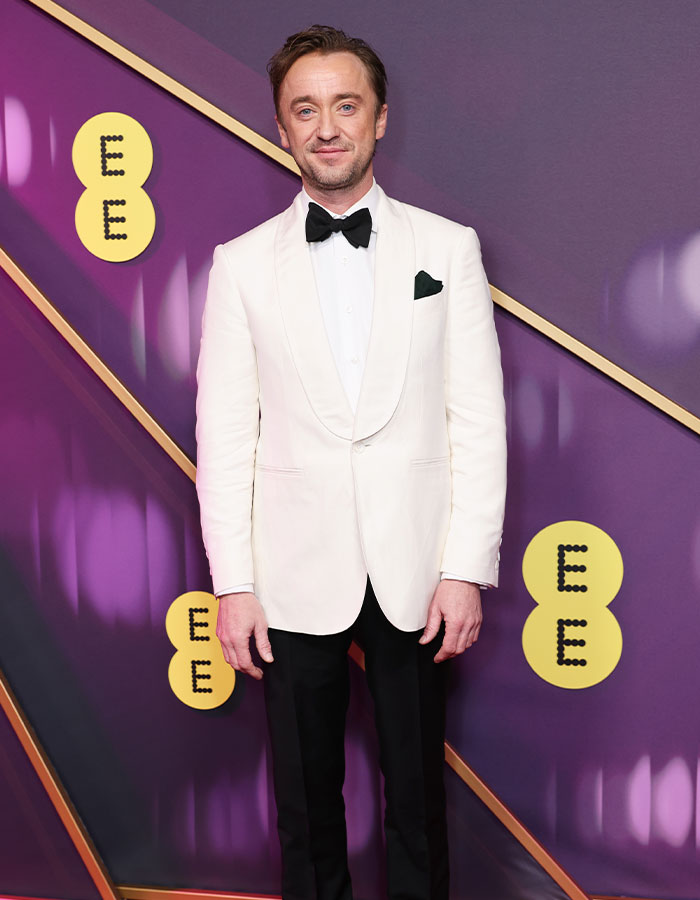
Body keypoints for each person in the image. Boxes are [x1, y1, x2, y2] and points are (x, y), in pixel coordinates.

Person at [195, 24, 506, 900]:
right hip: (290, 575)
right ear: (282, 129)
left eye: (344, 106)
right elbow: (225, 436)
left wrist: (463, 569)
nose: (326, 126)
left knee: (416, 802)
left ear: (378, 120)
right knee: (305, 806)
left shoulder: (448, 249)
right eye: (305, 109)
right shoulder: (242, 267)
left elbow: (477, 420)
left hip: (416, 567)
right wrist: (234, 583)